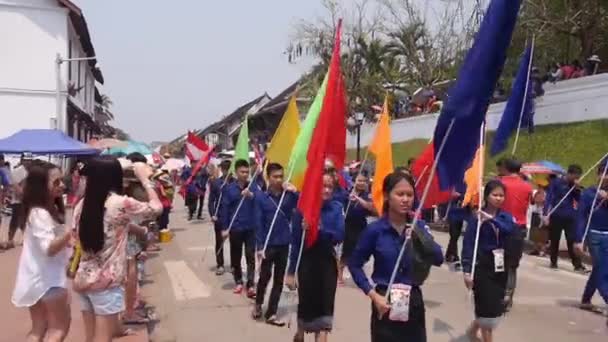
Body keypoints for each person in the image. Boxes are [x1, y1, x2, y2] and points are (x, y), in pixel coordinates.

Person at [73, 156, 162, 342]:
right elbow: (156, 208)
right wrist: (145, 180)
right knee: (104, 337)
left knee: (90, 338)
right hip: (106, 283)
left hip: (83, 279)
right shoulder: (120, 203)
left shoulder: (81, 205)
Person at [348, 172, 443, 342]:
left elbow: (438, 258)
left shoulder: (418, 227)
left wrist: (420, 236)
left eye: (409, 195)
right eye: (400, 194)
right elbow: (355, 265)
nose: (405, 199)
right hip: (385, 301)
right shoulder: (375, 231)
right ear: (387, 196)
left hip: (413, 301)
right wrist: (373, 295)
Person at [12, 161, 72, 342]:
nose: (62, 185)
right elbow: (49, 248)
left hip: (37, 278)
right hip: (48, 280)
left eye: (61, 180)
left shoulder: (39, 211)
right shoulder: (40, 213)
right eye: (56, 182)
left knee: (39, 328)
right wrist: (70, 233)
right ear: (40, 186)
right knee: (58, 329)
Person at [286, 171, 345, 342]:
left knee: (325, 306)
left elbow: (339, 236)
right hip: (306, 263)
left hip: (327, 263)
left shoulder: (336, 208)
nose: (326, 190)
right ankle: (300, 332)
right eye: (323, 186)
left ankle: (322, 335)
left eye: (330, 187)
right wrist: (291, 272)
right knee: (306, 302)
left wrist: (319, 229)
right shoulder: (301, 209)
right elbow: (296, 243)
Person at [462, 180, 515, 342]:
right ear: (487, 196)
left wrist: (491, 219)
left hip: (500, 266)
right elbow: (469, 245)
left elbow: (508, 230)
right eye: (495, 195)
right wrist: (466, 270)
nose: (498, 198)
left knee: (494, 306)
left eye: (501, 195)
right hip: (482, 267)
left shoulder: (505, 217)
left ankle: (473, 329)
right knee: (486, 306)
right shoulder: (476, 218)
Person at [252, 163, 298, 327]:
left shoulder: (289, 196)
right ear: (268, 177)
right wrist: (259, 247)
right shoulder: (262, 198)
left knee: (279, 280)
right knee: (265, 276)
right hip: (268, 245)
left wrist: (295, 191)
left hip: (284, 243)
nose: (279, 180)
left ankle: (271, 312)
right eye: (275, 176)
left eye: (281, 176)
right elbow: (258, 223)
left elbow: (302, 206)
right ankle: (258, 303)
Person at [574, 160, 608, 326]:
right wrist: (579, 239)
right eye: (605, 173)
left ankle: (586, 299)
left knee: (600, 269)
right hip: (594, 235)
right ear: (599, 174)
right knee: (603, 269)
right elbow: (581, 216)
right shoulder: (589, 193)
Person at [498, 158, 533, 311]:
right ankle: (507, 297)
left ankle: (497, 294)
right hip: (518, 228)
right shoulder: (527, 186)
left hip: (499, 227)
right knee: (512, 265)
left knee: (497, 262)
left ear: (504, 167)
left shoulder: (498, 184)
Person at [221, 159, 257, 298]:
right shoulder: (229, 189)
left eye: (247, 172)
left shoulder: (252, 187)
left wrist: (251, 196)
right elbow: (224, 209)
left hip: (250, 227)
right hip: (235, 227)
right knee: (235, 256)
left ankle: (251, 284)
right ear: (236, 172)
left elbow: (260, 202)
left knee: (250, 256)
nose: (245, 174)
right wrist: (224, 228)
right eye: (242, 172)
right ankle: (238, 280)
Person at [544, 165, 586, 272]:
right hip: (556, 215)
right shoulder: (556, 182)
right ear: (569, 174)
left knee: (571, 240)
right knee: (554, 239)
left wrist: (577, 189)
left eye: (578, 177)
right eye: (575, 176)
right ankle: (553, 262)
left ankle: (577, 264)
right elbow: (549, 197)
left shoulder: (574, 186)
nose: (576, 179)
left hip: (570, 216)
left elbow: (578, 199)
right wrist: (546, 214)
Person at [339, 173, 374, 284]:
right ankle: (339, 275)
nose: (361, 183)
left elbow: (370, 207)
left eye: (364, 181)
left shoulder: (368, 195)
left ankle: (358, 274)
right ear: (354, 182)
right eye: (359, 180)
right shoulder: (347, 193)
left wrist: (358, 199)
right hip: (348, 226)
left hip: (361, 226)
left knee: (360, 251)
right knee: (346, 251)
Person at [208, 160, 232, 275]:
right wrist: (212, 214)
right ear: (222, 169)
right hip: (220, 217)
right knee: (219, 242)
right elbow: (211, 201)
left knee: (235, 243)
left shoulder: (236, 183)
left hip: (233, 217)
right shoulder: (216, 183)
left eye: (229, 169)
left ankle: (234, 265)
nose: (227, 171)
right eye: (225, 169)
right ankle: (220, 264)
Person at [445, 183, 470, 270]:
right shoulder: (453, 182)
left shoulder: (469, 182)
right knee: (454, 235)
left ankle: (449, 254)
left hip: (464, 212)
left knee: (457, 235)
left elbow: (470, 195)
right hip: (454, 212)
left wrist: (461, 195)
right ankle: (454, 255)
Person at [4, 164, 28, 249]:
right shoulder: (18, 171)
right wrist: (20, 192)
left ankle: (26, 239)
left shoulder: (29, 171)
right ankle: (10, 240)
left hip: (25, 200)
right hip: (18, 200)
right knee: (15, 220)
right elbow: (14, 184)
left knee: (23, 221)